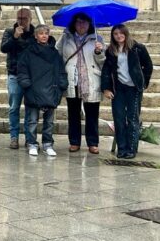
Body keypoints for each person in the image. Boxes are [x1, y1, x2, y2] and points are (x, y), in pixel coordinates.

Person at [101, 24, 153, 159]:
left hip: (134, 88)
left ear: (126, 33)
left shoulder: (137, 48)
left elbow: (148, 66)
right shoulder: (111, 51)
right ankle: (122, 148)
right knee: (118, 118)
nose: (119, 36)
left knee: (132, 118)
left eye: (121, 33)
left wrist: (143, 83)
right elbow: (106, 70)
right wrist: (106, 88)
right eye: (115, 34)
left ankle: (131, 148)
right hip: (118, 88)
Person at [56, 12, 105, 154]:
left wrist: (99, 52)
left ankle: (93, 142)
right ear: (74, 24)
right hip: (73, 79)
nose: (81, 25)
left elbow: (103, 62)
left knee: (92, 113)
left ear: (90, 24)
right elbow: (57, 54)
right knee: (73, 113)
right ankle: (74, 142)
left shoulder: (97, 38)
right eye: (78, 22)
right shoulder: (65, 37)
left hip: (91, 79)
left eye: (84, 22)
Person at [17, 24, 68, 157]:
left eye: (46, 33)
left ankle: (48, 144)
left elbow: (61, 70)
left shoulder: (54, 53)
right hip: (34, 89)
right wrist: (26, 84)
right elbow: (22, 69)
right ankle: (32, 143)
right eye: (41, 33)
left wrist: (62, 84)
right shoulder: (28, 51)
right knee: (32, 120)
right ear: (35, 36)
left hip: (50, 90)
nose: (44, 36)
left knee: (49, 121)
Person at [0, 8, 36, 150]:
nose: (22, 21)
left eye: (25, 18)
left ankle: (29, 138)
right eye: (19, 18)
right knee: (14, 107)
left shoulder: (35, 34)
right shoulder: (9, 32)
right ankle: (14, 137)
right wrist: (15, 37)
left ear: (31, 19)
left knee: (30, 109)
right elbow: (4, 48)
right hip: (14, 74)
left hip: (31, 76)